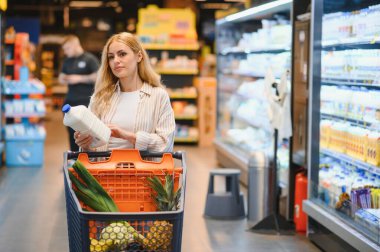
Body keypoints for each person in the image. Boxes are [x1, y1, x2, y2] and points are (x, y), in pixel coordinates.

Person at [74, 32, 175, 152]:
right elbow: (90, 151)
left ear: (139, 56)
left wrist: (127, 136)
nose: (116, 60)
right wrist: (85, 145)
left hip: (144, 170)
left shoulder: (158, 97)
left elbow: (166, 144)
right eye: (111, 57)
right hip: (104, 169)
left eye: (122, 54)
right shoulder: (99, 98)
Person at [59, 35, 100, 151]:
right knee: (72, 133)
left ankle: (85, 158)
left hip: (85, 102)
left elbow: (98, 76)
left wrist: (79, 78)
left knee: (86, 134)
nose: (66, 52)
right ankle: (73, 159)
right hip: (70, 102)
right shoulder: (67, 61)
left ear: (76, 45)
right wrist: (64, 78)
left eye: (67, 48)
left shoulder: (89, 59)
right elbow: (61, 77)